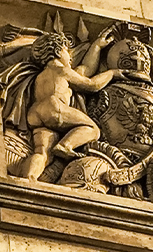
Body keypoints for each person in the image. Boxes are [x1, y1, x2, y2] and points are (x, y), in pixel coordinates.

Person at [12, 31, 119, 180]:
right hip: (54, 108)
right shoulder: (61, 70)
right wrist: (112, 73)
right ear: (58, 51)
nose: (70, 57)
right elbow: (91, 84)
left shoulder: (42, 75)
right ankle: (65, 145)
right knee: (93, 129)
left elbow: (85, 69)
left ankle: (28, 178)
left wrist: (97, 47)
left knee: (43, 153)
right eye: (67, 52)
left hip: (35, 113)